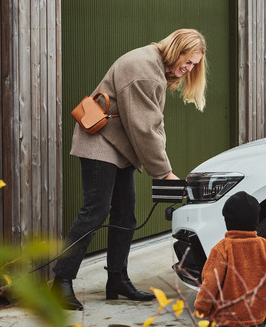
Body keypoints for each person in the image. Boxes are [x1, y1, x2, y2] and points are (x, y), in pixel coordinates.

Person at [50, 28, 208, 311]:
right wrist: (164, 172)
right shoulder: (143, 70)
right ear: (176, 49)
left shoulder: (154, 65)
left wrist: (162, 168)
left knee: (125, 213)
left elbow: (150, 125)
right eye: (188, 60)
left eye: (194, 64)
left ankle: (117, 280)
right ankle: (60, 282)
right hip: (99, 142)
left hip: (118, 145)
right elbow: (144, 129)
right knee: (95, 211)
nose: (188, 68)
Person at [194, 191, 266, 327]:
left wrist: (202, 309)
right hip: (256, 315)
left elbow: (210, 284)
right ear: (256, 220)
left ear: (227, 221)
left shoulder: (222, 248)